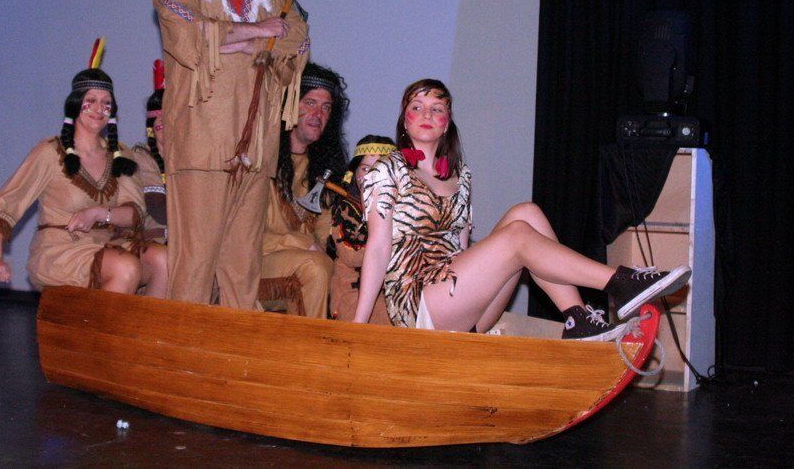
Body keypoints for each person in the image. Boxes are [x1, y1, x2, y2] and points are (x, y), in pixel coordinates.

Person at [87, 0, 315, 308]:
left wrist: (241, 40)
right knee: (195, 261)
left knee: (243, 264)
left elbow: (297, 38)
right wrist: (259, 32)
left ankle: (233, 348)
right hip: (201, 141)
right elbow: (188, 35)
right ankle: (181, 348)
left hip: (257, 145)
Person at [353, 78, 691, 340]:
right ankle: (620, 282)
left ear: (447, 122)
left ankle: (577, 318)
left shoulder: (461, 175)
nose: (427, 115)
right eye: (417, 106)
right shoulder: (387, 170)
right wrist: (358, 326)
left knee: (526, 213)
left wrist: (473, 280)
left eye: (436, 108)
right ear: (405, 120)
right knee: (517, 236)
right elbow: (378, 248)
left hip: (462, 303)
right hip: (419, 305)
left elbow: (461, 250)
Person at [0, 40, 168, 297]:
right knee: (125, 267)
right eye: (91, 101)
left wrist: (100, 213)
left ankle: (141, 324)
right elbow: (6, 203)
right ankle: (101, 325)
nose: (99, 109)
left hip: (110, 246)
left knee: (162, 260)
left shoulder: (120, 154)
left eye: (106, 103)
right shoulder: (50, 152)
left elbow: (134, 213)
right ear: (76, 104)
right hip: (61, 251)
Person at [260, 63, 348, 318]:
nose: (318, 114)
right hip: (252, 263)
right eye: (310, 103)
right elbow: (241, 234)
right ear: (288, 106)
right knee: (315, 267)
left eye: (326, 107)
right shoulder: (260, 159)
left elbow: (323, 239)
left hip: (306, 263)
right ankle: (311, 343)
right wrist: (301, 242)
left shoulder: (325, 172)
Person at [328, 135, 396, 324]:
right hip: (352, 291)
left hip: (390, 293)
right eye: (365, 169)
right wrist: (391, 244)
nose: (372, 176)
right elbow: (351, 255)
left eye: (380, 169)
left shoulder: (401, 209)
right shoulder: (347, 209)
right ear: (354, 173)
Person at [130, 60, 168, 244]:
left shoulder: (196, 156)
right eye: (156, 117)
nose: (160, 120)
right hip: (159, 244)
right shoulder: (142, 156)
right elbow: (159, 210)